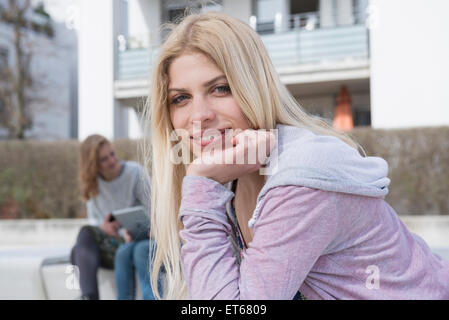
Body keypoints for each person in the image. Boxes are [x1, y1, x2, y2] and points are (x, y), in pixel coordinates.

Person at [142, 11, 449, 300]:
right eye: (180, 98)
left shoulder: (300, 179)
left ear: (254, 86)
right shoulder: (231, 181)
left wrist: (200, 182)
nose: (199, 115)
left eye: (221, 89)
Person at [70, 134, 156, 300]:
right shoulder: (92, 184)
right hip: (110, 242)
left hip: (134, 240)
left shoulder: (135, 172)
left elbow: (153, 211)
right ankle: (89, 296)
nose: (112, 160)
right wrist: (104, 228)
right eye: (104, 159)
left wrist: (127, 228)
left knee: (79, 248)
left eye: (112, 154)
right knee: (83, 239)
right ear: (93, 166)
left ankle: (88, 296)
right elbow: (94, 221)